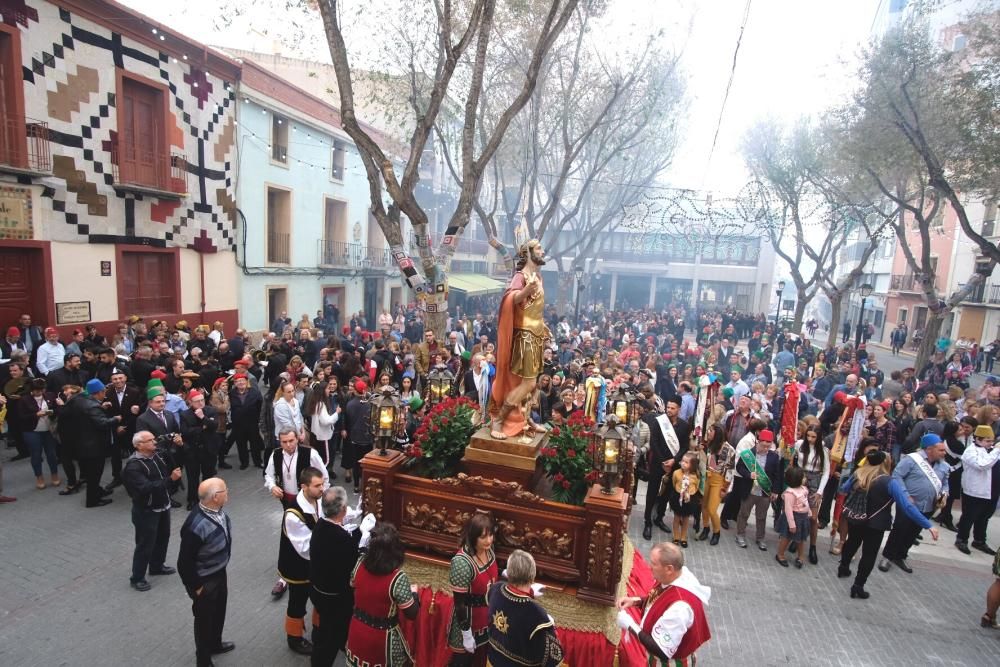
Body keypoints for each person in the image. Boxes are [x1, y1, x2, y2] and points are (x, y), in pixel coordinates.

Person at [837, 450, 939, 600]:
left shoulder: (858, 474)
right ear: (886, 463)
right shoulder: (889, 482)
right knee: (869, 555)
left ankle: (843, 568)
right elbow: (907, 506)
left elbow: (843, 489)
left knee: (852, 542)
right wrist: (927, 524)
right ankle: (858, 586)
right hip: (876, 524)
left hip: (856, 518)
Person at [489, 239, 552, 439]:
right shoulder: (521, 276)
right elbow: (510, 298)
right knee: (528, 383)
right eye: (539, 248)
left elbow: (533, 310)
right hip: (524, 336)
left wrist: (543, 326)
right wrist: (525, 291)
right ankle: (500, 420)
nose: (542, 251)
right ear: (529, 252)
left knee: (532, 384)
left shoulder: (538, 277)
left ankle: (525, 419)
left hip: (535, 335)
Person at [615, 542, 711, 666]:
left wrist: (629, 624)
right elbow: (660, 599)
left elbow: (661, 650)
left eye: (654, 564)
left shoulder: (680, 608)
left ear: (669, 569)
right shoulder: (677, 576)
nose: (649, 567)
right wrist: (636, 601)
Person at [310, 487, 373, 667]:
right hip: (335, 599)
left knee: (327, 632)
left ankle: (338, 644)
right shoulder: (340, 538)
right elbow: (353, 562)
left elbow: (343, 536)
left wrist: (359, 529)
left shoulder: (322, 526)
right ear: (343, 509)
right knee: (329, 637)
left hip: (319, 591)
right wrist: (362, 539)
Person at [265, 429, 328, 600]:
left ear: (297, 439)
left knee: (315, 533)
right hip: (288, 501)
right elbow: (268, 475)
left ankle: (318, 567)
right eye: (284, 442)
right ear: (279, 442)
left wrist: (322, 500)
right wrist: (272, 487)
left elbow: (325, 477)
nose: (288, 445)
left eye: (291, 441)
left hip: (311, 500)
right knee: (289, 538)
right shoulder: (276, 455)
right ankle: (285, 576)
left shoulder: (310, 453)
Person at [178, 478, 234, 667]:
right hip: (204, 579)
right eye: (225, 490)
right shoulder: (195, 525)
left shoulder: (218, 512)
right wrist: (197, 587)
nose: (228, 492)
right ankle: (203, 660)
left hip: (219, 572)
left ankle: (215, 644)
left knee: (219, 611)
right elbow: (184, 562)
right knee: (203, 620)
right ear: (216, 497)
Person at [346, 523, 420, 667]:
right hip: (382, 638)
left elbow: (352, 585)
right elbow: (412, 613)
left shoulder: (360, 562)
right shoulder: (397, 578)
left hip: (357, 628)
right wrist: (414, 594)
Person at [878, 433, 949, 574]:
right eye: (940, 450)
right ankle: (888, 556)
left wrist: (944, 494)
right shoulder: (911, 460)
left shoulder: (944, 466)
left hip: (929, 505)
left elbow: (945, 483)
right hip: (907, 503)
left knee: (913, 532)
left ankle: (901, 556)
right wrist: (905, 495)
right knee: (899, 529)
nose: (944, 453)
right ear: (929, 449)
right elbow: (897, 475)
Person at [122, 430, 183, 591]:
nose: (154, 442)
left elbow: (169, 457)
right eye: (150, 441)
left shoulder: (155, 455)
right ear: (139, 445)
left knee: (163, 537)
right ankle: (137, 578)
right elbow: (145, 488)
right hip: (146, 510)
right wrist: (170, 480)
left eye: (153, 440)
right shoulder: (133, 466)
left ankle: (157, 566)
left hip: (163, 505)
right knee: (145, 544)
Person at [485, 549, 563, 667]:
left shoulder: (496, 589)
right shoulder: (537, 616)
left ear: (509, 573)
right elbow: (554, 659)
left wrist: (529, 592)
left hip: (493, 661)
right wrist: (549, 625)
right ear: (532, 576)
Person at [279, 466, 327, 656]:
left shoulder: (318, 499)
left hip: (315, 563)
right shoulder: (293, 514)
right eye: (317, 485)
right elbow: (306, 548)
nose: (322, 489)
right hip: (298, 567)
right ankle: (294, 638)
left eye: (322, 484)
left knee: (319, 598)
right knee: (297, 602)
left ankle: (319, 630)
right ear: (304, 487)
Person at [61, 378, 121, 508]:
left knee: (90, 473)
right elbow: (102, 423)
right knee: (95, 473)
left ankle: (98, 491)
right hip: (93, 446)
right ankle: (93, 500)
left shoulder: (78, 400)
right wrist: (115, 419)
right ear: (98, 392)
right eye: (103, 391)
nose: (104, 394)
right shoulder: (92, 406)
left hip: (79, 443)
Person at [447, 514, 498, 666]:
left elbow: (491, 577)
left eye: (490, 535)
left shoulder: (489, 550)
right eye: (483, 537)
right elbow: (459, 603)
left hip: (486, 619)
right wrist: (466, 633)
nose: (489, 540)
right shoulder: (462, 563)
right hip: (468, 622)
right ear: (473, 537)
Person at [643, 395, 691, 540]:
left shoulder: (684, 426)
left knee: (667, 493)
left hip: (674, 466)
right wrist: (664, 461)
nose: (669, 410)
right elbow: (654, 442)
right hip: (658, 464)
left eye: (672, 408)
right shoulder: (659, 422)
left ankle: (659, 518)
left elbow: (684, 447)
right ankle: (647, 521)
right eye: (668, 407)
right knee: (652, 492)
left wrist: (674, 460)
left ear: (679, 409)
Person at [955, 425, 1000, 556]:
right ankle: (961, 539)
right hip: (975, 491)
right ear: (978, 439)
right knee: (969, 516)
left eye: (992, 441)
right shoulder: (971, 451)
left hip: (992, 490)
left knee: (984, 517)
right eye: (987, 441)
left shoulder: (990, 450)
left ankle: (979, 540)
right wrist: (996, 451)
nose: (990, 444)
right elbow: (982, 465)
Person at [734, 429, 781, 550]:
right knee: (744, 514)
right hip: (749, 490)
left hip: (764, 492)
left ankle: (760, 538)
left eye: (768, 446)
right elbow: (739, 468)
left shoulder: (774, 457)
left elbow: (778, 475)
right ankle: (740, 535)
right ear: (758, 442)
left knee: (761, 517)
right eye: (763, 445)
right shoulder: (748, 454)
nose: (765, 448)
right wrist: (749, 475)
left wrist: (775, 491)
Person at [179, 389, 220, 511]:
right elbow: (185, 432)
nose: (201, 403)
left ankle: (208, 498)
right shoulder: (185, 414)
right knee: (193, 477)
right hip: (193, 451)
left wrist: (203, 418)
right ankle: (192, 500)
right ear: (190, 402)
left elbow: (214, 426)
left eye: (202, 400)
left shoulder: (210, 410)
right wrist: (202, 427)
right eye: (197, 401)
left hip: (209, 449)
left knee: (209, 475)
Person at [18, 377, 60, 489]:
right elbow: (21, 417)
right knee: (36, 455)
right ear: (32, 389)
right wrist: (35, 415)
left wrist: (52, 412)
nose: (40, 392)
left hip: (48, 430)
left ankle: (54, 475)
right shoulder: (24, 400)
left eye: (42, 390)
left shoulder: (50, 396)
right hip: (31, 431)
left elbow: (57, 410)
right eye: (37, 390)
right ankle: (39, 477)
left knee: (52, 454)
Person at [795, 424, 829, 565]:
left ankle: (812, 547)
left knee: (813, 518)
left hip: (815, 479)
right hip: (800, 477)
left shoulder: (824, 450)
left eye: (813, 437)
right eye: (808, 435)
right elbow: (792, 460)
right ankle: (796, 539)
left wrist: (820, 491)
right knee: (797, 512)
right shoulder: (799, 444)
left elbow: (827, 471)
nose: (810, 439)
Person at [699, 423, 734, 545]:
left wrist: (725, 487)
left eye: (711, 431)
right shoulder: (709, 445)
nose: (708, 432)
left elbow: (730, 470)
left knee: (712, 509)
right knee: (703, 505)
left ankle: (716, 532)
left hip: (719, 480)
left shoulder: (729, 449)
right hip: (707, 477)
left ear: (717, 433)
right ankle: (705, 527)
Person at [775, 467, 811, 568]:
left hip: (803, 518)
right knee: (786, 538)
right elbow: (788, 510)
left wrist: (809, 511)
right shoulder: (790, 493)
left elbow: (805, 502)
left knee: (800, 539)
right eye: (803, 477)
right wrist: (792, 524)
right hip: (793, 518)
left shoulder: (804, 489)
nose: (805, 478)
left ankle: (800, 556)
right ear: (797, 479)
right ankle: (780, 554)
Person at [669, 452, 701, 548]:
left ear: (692, 465)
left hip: (690, 499)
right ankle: (676, 536)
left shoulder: (696, 476)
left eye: (686, 462)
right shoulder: (676, 473)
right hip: (678, 497)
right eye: (682, 461)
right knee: (677, 517)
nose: (683, 463)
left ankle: (683, 537)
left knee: (686, 518)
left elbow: (696, 487)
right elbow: (674, 483)